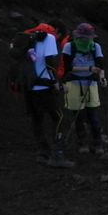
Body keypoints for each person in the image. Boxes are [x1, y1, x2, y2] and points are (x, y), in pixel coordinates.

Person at [21, 22, 73, 168]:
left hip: (29, 86)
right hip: (45, 87)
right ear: (55, 30)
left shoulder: (29, 37)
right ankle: (58, 155)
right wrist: (56, 81)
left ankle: (43, 153)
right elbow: (50, 62)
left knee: (37, 119)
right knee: (58, 118)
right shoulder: (49, 38)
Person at [62, 23, 106, 154]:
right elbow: (68, 67)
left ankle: (98, 143)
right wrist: (88, 68)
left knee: (93, 114)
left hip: (90, 83)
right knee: (78, 115)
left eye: (89, 37)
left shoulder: (95, 47)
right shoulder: (69, 47)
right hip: (74, 82)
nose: (87, 40)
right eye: (84, 37)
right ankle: (82, 143)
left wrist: (102, 77)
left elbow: (100, 65)